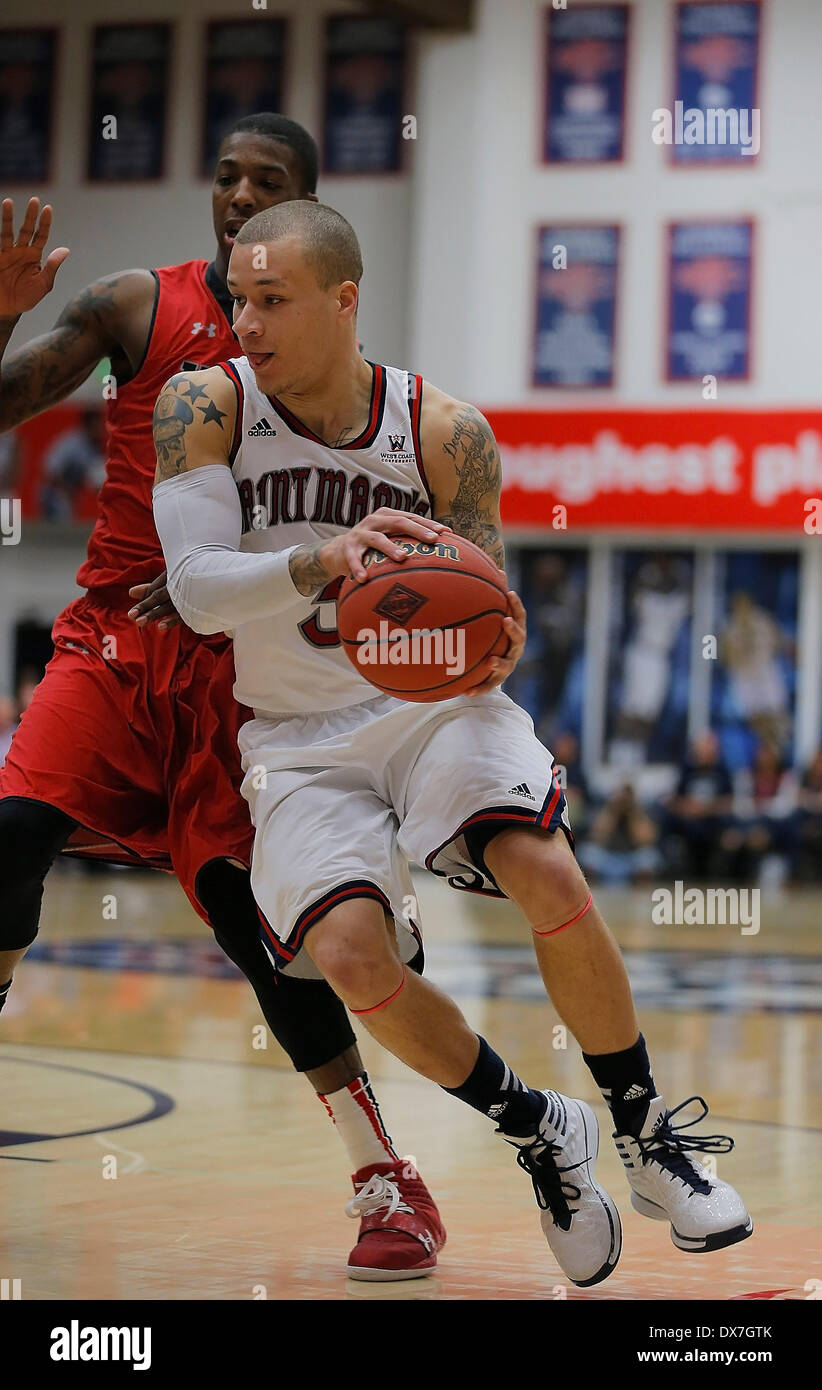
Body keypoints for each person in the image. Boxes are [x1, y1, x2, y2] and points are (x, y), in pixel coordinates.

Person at [152, 200, 752, 1287]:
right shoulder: (203, 404)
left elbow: (482, 609)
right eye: (237, 296)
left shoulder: (446, 431)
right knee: (345, 957)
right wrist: (323, 559)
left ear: (345, 300)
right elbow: (194, 594)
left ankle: (646, 1132)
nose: (245, 320)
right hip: (292, 736)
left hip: (428, 712)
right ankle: (539, 1129)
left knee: (541, 861)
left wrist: (497, 640)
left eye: (272, 299)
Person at [0, 115, 444, 1281]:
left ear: (306, 210)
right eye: (229, 177)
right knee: (6, 832)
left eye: (270, 183)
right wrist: (2, 309)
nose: (241, 196)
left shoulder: (315, 346)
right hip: (109, 640)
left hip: (237, 673)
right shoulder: (131, 308)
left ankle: (383, 1173)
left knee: (264, 938)